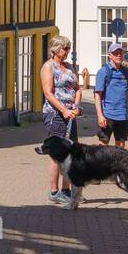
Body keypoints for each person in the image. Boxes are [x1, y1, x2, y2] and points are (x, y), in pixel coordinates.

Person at [40, 35, 81, 205]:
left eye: (68, 49)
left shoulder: (69, 67)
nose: (67, 52)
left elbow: (77, 89)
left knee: (71, 152)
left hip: (71, 114)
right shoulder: (48, 67)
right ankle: (54, 191)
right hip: (55, 114)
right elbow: (48, 93)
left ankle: (66, 189)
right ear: (55, 50)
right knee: (57, 154)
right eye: (65, 49)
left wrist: (76, 105)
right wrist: (63, 110)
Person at [94, 41, 128, 147]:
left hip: (122, 115)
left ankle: (117, 164)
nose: (119, 55)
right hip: (107, 115)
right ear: (109, 55)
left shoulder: (126, 71)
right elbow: (97, 95)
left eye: (121, 53)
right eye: (116, 53)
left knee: (121, 147)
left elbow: (126, 91)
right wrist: (100, 116)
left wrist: (126, 110)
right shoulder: (103, 71)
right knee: (103, 145)